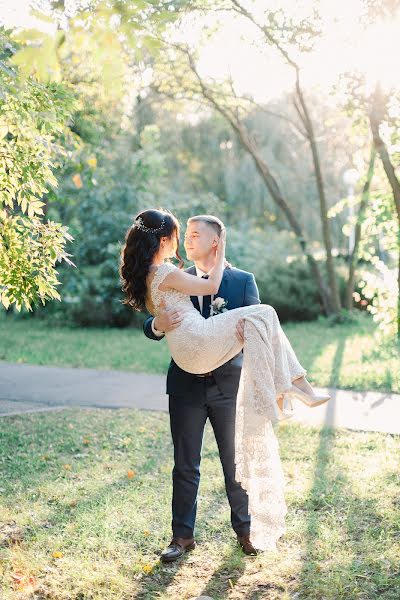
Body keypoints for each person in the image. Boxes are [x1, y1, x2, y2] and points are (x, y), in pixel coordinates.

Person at [119, 208, 329, 554]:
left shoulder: (242, 280)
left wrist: (245, 332)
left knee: (236, 461)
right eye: (183, 234)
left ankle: (246, 531)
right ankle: (181, 537)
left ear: (215, 242)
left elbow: (260, 332)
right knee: (185, 463)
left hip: (227, 383)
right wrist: (157, 325)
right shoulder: (175, 274)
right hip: (186, 382)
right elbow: (149, 323)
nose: (186, 239)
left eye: (194, 234)